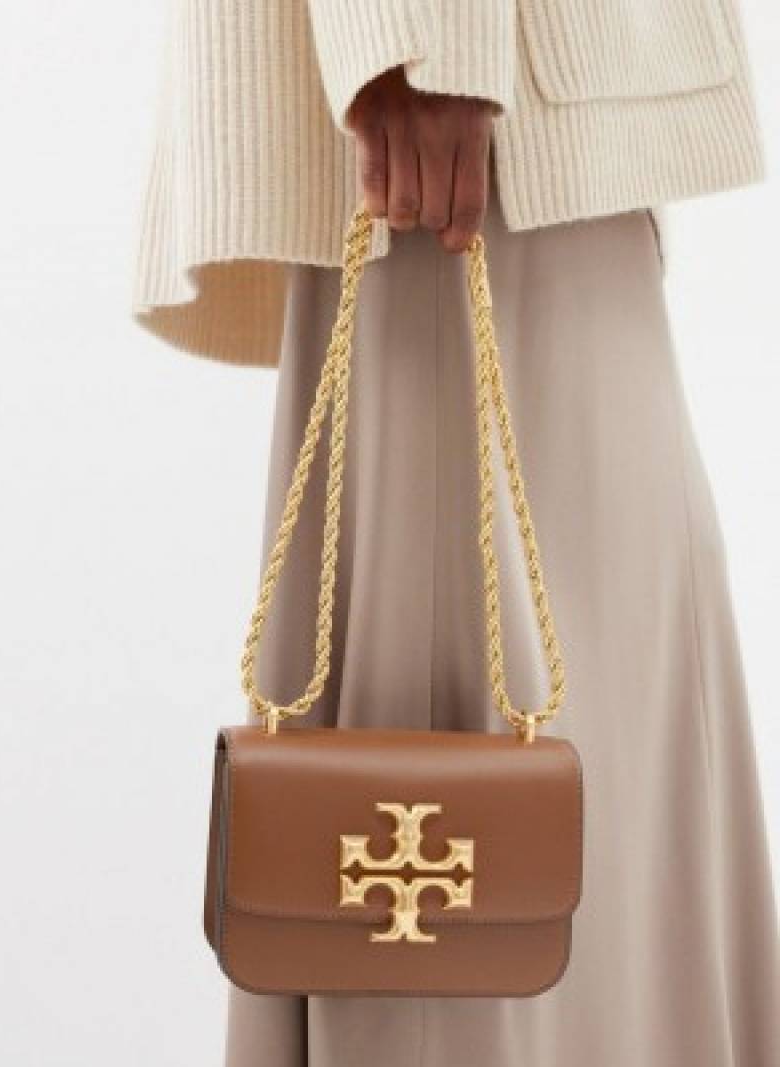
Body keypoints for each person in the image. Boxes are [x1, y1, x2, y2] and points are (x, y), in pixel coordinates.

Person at [134, 3, 780, 1064]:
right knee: (466, 830)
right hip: (462, 107)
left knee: (604, 744)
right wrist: (420, 44)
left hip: (529, 107)